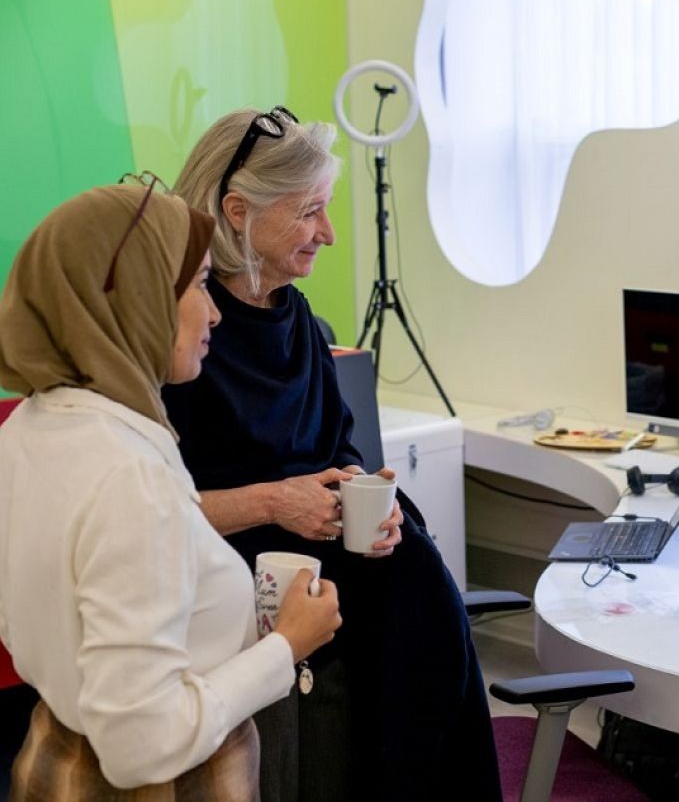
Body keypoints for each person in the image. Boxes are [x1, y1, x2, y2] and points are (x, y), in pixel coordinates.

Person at [162, 107, 501, 800]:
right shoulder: (182, 340)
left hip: (326, 554)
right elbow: (155, 512)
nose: (329, 233)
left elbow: (335, 446)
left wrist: (363, 491)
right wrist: (276, 502)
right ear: (238, 212)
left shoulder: (300, 320)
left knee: (420, 585)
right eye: (309, 212)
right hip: (235, 570)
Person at [0, 179, 342, 798]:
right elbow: (142, 745)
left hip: (54, 755)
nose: (214, 312)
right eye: (198, 284)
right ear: (134, 296)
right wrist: (286, 645)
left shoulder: (26, 430)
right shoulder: (130, 477)